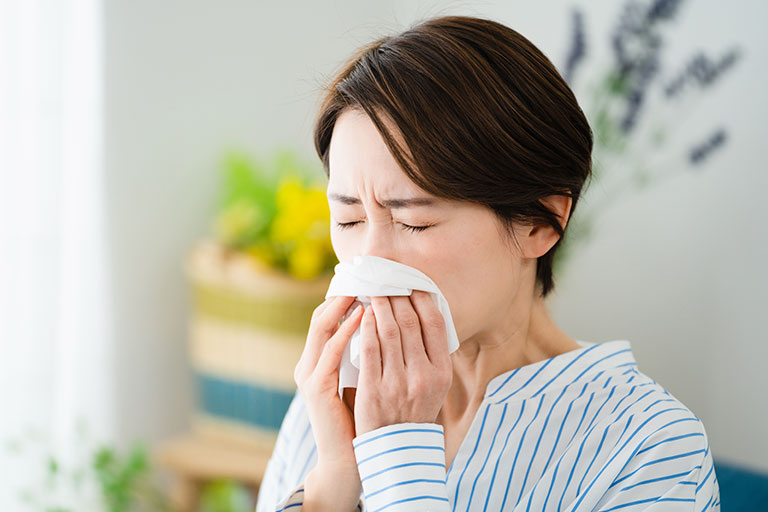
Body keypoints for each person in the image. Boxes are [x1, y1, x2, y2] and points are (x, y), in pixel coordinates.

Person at [255, 15, 719, 512]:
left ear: (540, 223)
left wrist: (398, 453)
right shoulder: (328, 405)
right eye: (348, 220)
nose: (369, 258)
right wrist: (335, 475)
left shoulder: (648, 447)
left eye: (414, 222)